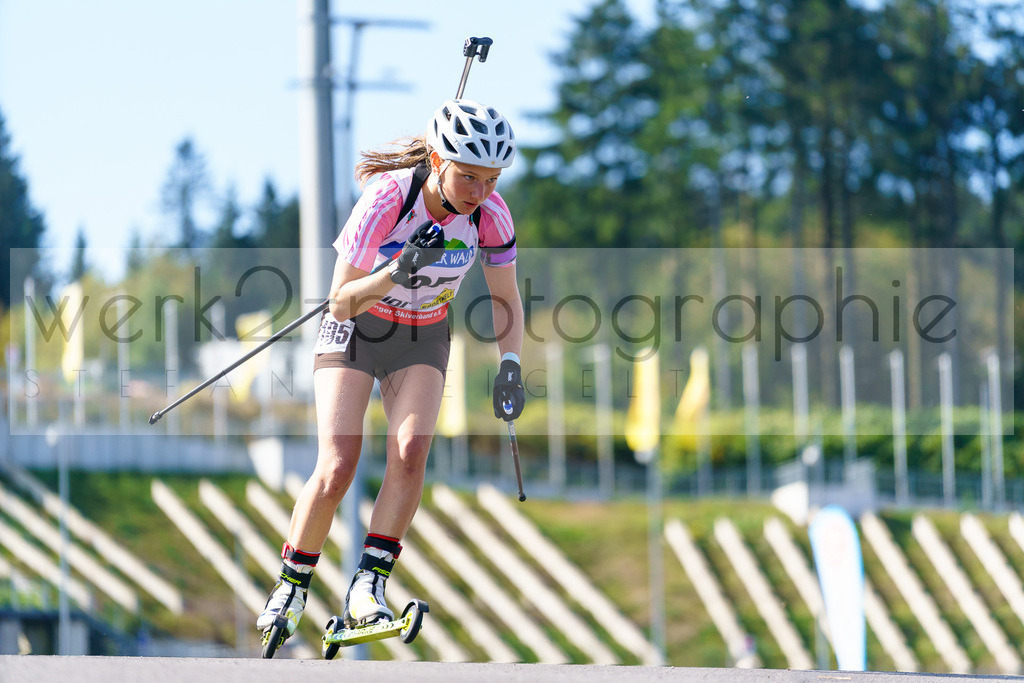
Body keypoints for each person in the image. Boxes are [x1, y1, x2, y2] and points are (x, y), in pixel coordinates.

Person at [257, 98, 527, 645]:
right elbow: (339, 303)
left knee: (410, 452)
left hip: (423, 332)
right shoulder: (388, 197)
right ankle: (292, 585)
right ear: (437, 159)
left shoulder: (491, 215)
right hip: (359, 327)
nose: (480, 192)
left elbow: (506, 300)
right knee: (338, 465)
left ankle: (367, 586)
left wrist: (511, 365)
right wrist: (394, 271)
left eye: (492, 178)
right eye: (469, 176)